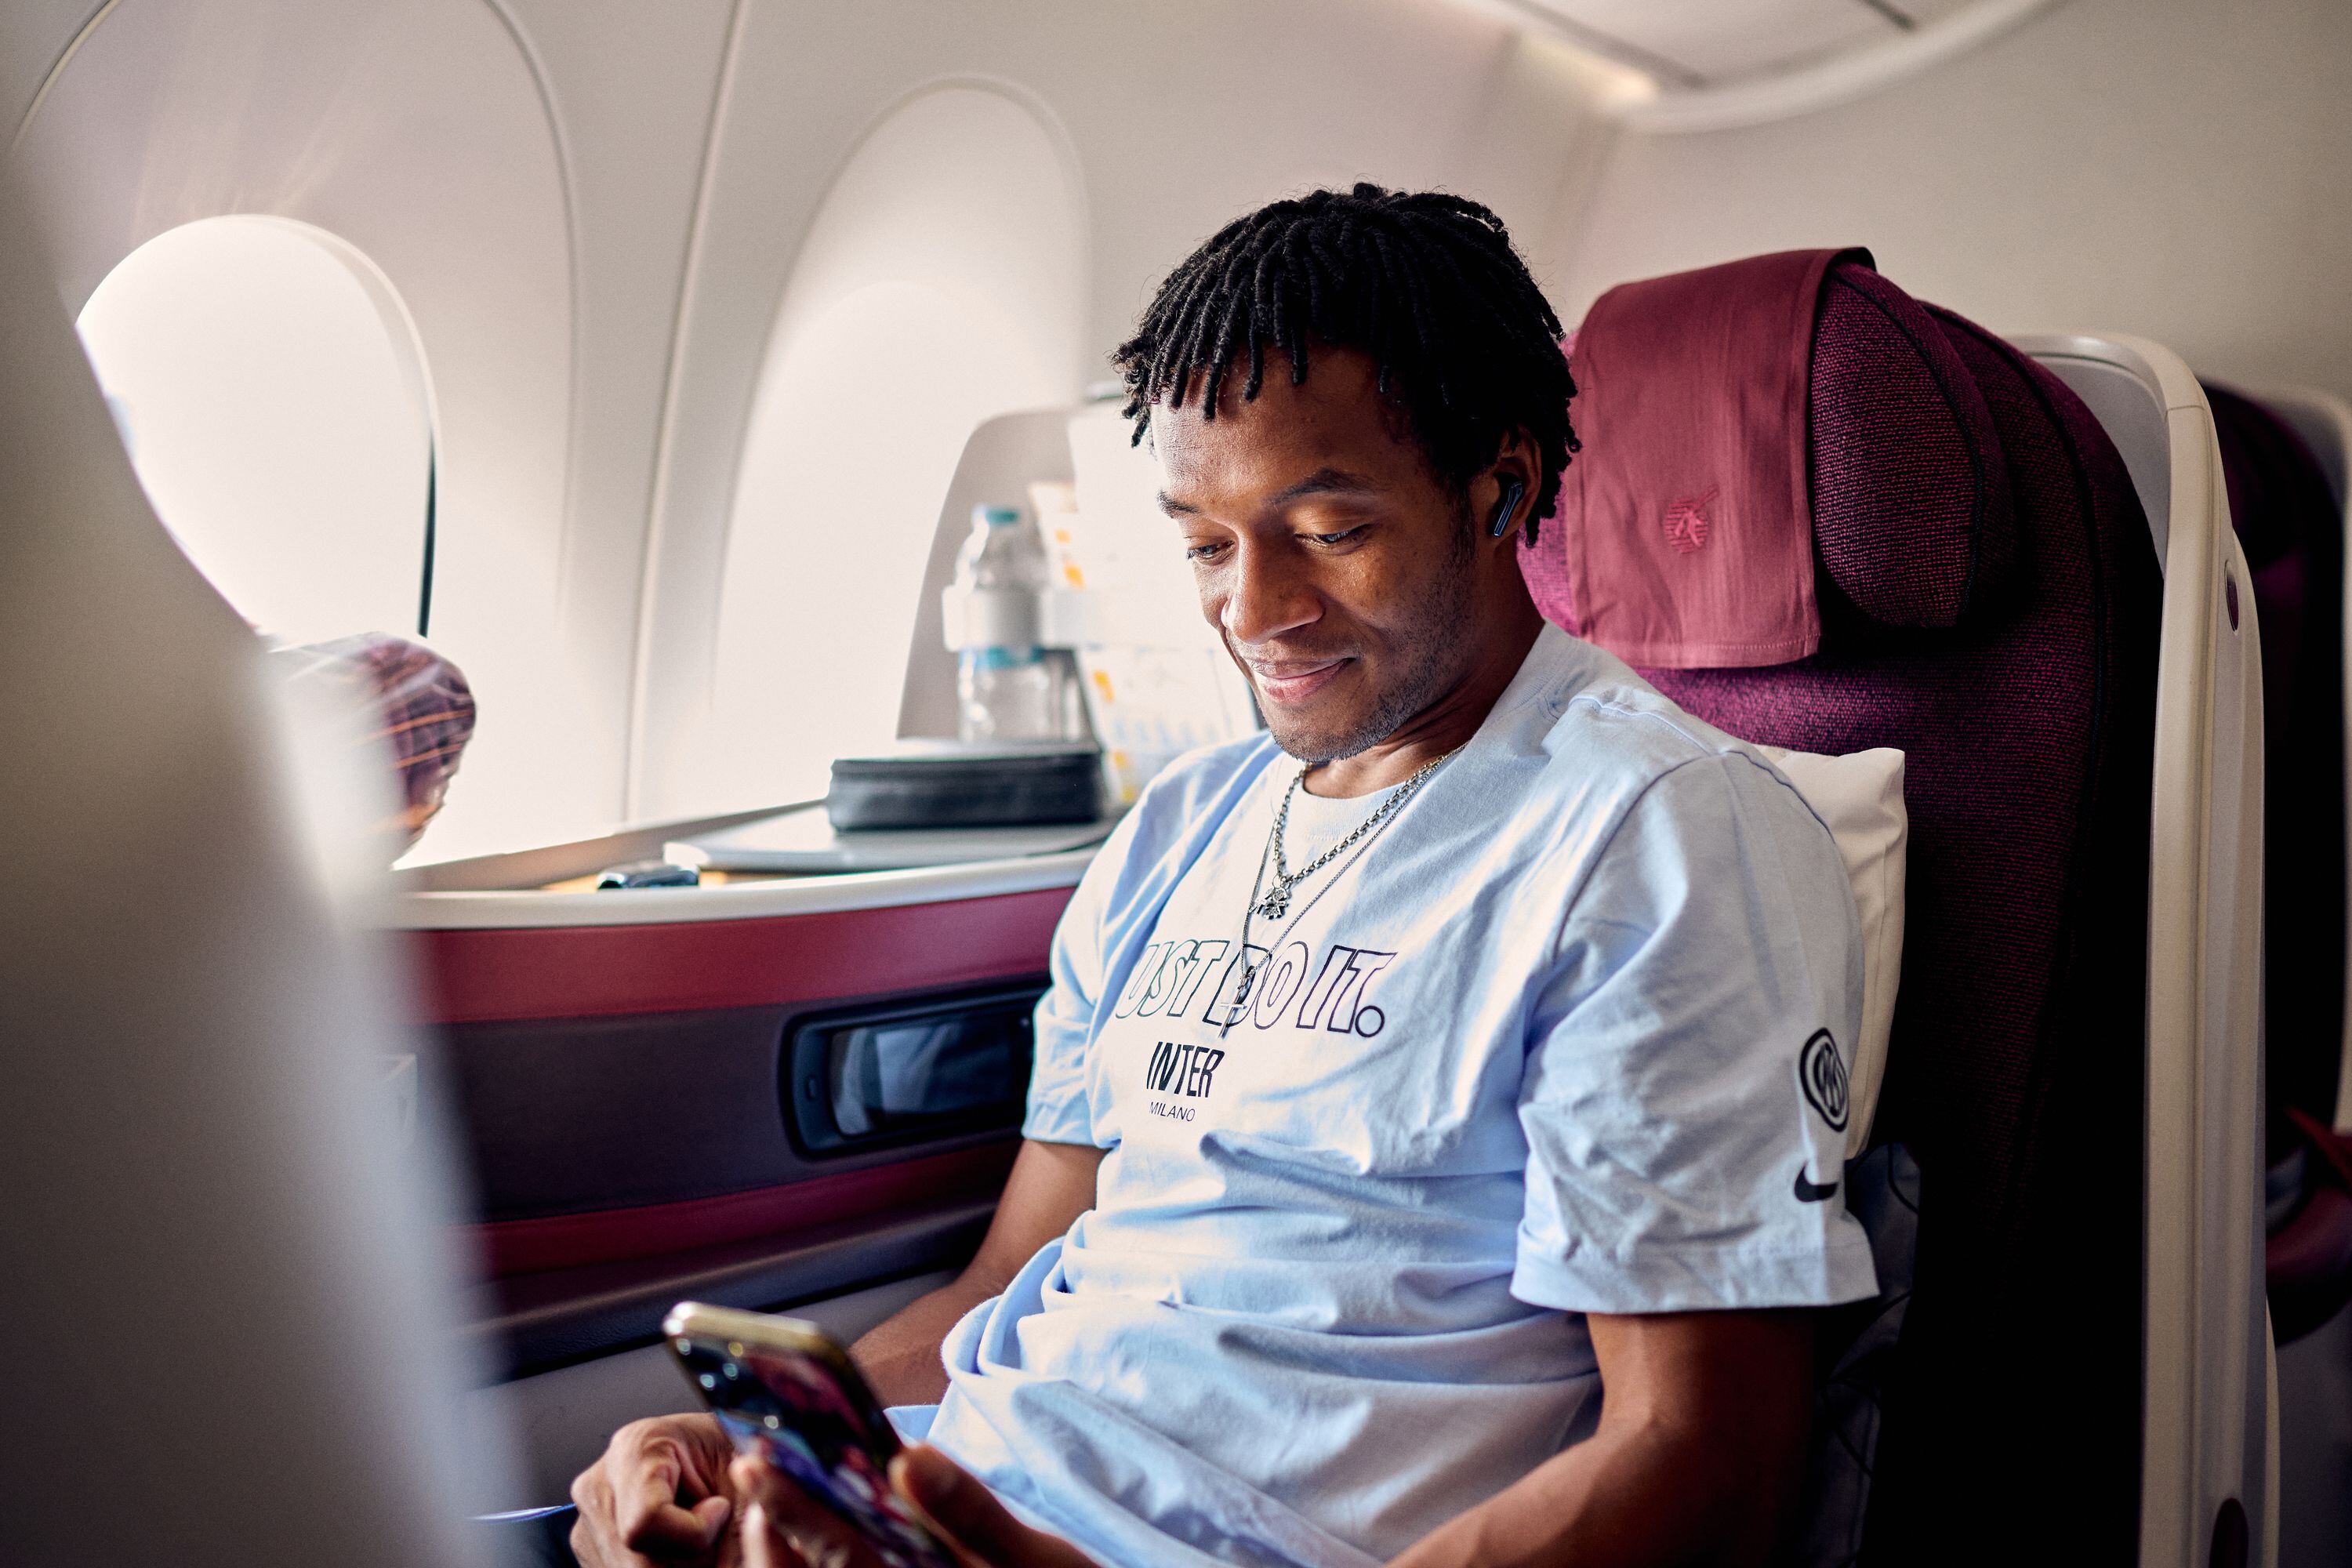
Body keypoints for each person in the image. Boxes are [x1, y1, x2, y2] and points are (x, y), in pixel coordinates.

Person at [570, 184, 1875, 1568]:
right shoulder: (1177, 829)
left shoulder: (1656, 835)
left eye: (1326, 531)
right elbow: (1010, 1283)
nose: (1250, 613)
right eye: (1203, 543)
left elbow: (1701, 1460)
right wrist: (759, 1453)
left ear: (1502, 484)